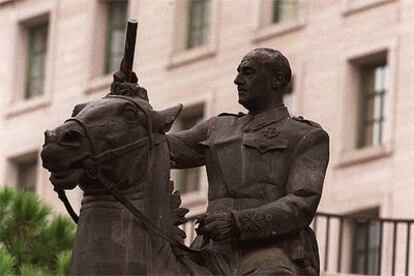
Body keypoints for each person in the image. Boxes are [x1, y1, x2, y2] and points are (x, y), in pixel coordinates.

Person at [168, 48, 329, 275]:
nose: (237, 80)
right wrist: (131, 107)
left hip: (269, 252)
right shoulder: (217, 128)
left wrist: (238, 223)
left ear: (277, 80)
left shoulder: (304, 136)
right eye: (238, 73)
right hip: (209, 251)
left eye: (248, 72)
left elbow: (301, 203)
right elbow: (161, 148)